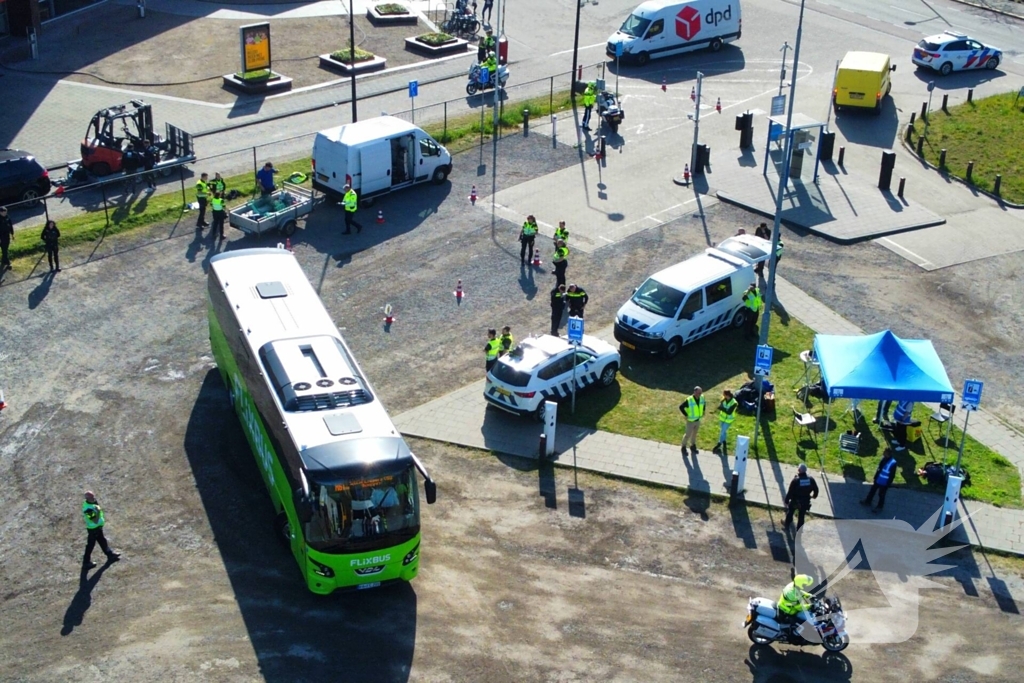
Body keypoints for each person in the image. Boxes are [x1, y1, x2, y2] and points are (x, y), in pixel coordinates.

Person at [82, 490, 120, 570]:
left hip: (98, 528)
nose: (94, 498)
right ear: (88, 498)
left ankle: (110, 555)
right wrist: (98, 512)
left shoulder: (92, 502)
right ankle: (86, 562)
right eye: (92, 497)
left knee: (103, 541)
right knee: (90, 546)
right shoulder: (88, 509)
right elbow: (95, 520)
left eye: (93, 496)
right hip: (93, 529)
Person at [784, 463, 819, 531]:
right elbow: (816, 489)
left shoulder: (796, 480)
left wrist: (786, 501)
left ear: (799, 470)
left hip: (795, 500)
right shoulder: (811, 479)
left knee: (791, 512)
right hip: (805, 501)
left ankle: (787, 523)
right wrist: (814, 496)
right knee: (801, 516)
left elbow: (790, 491)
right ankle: (799, 530)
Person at [861, 448, 898, 512]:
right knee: (872, 491)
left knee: (881, 495)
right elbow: (879, 469)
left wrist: (888, 484)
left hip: (885, 482)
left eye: (885, 452)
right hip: (878, 479)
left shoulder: (893, 463)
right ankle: (868, 501)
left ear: (888, 454)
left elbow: (892, 475)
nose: (883, 453)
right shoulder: (883, 459)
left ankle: (879, 507)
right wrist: (875, 477)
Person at [679, 386, 705, 456]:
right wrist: (686, 415)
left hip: (698, 420)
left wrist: (703, 411)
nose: (700, 394)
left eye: (701, 392)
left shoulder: (702, 397)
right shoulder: (689, 400)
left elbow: (704, 403)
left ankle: (692, 445)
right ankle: (683, 447)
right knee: (687, 435)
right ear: (695, 392)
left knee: (694, 434)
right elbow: (681, 407)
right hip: (690, 421)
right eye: (699, 393)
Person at [713, 389, 737, 455]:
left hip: (728, 420)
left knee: (722, 431)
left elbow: (729, 412)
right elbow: (720, 407)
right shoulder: (723, 400)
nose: (723, 395)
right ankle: (724, 441)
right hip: (722, 418)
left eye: (724, 394)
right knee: (723, 431)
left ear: (727, 395)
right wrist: (723, 409)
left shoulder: (734, 403)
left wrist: (722, 408)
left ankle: (719, 444)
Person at [0, 206, 13, 270]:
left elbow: (10, 225)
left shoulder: (7, 217)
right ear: (1, 212)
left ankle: (3, 260)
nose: (5, 213)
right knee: (4, 250)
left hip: (7, 235)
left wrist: (12, 233)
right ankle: (7, 262)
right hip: (1, 237)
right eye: (4, 212)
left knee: (5, 248)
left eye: (6, 212)